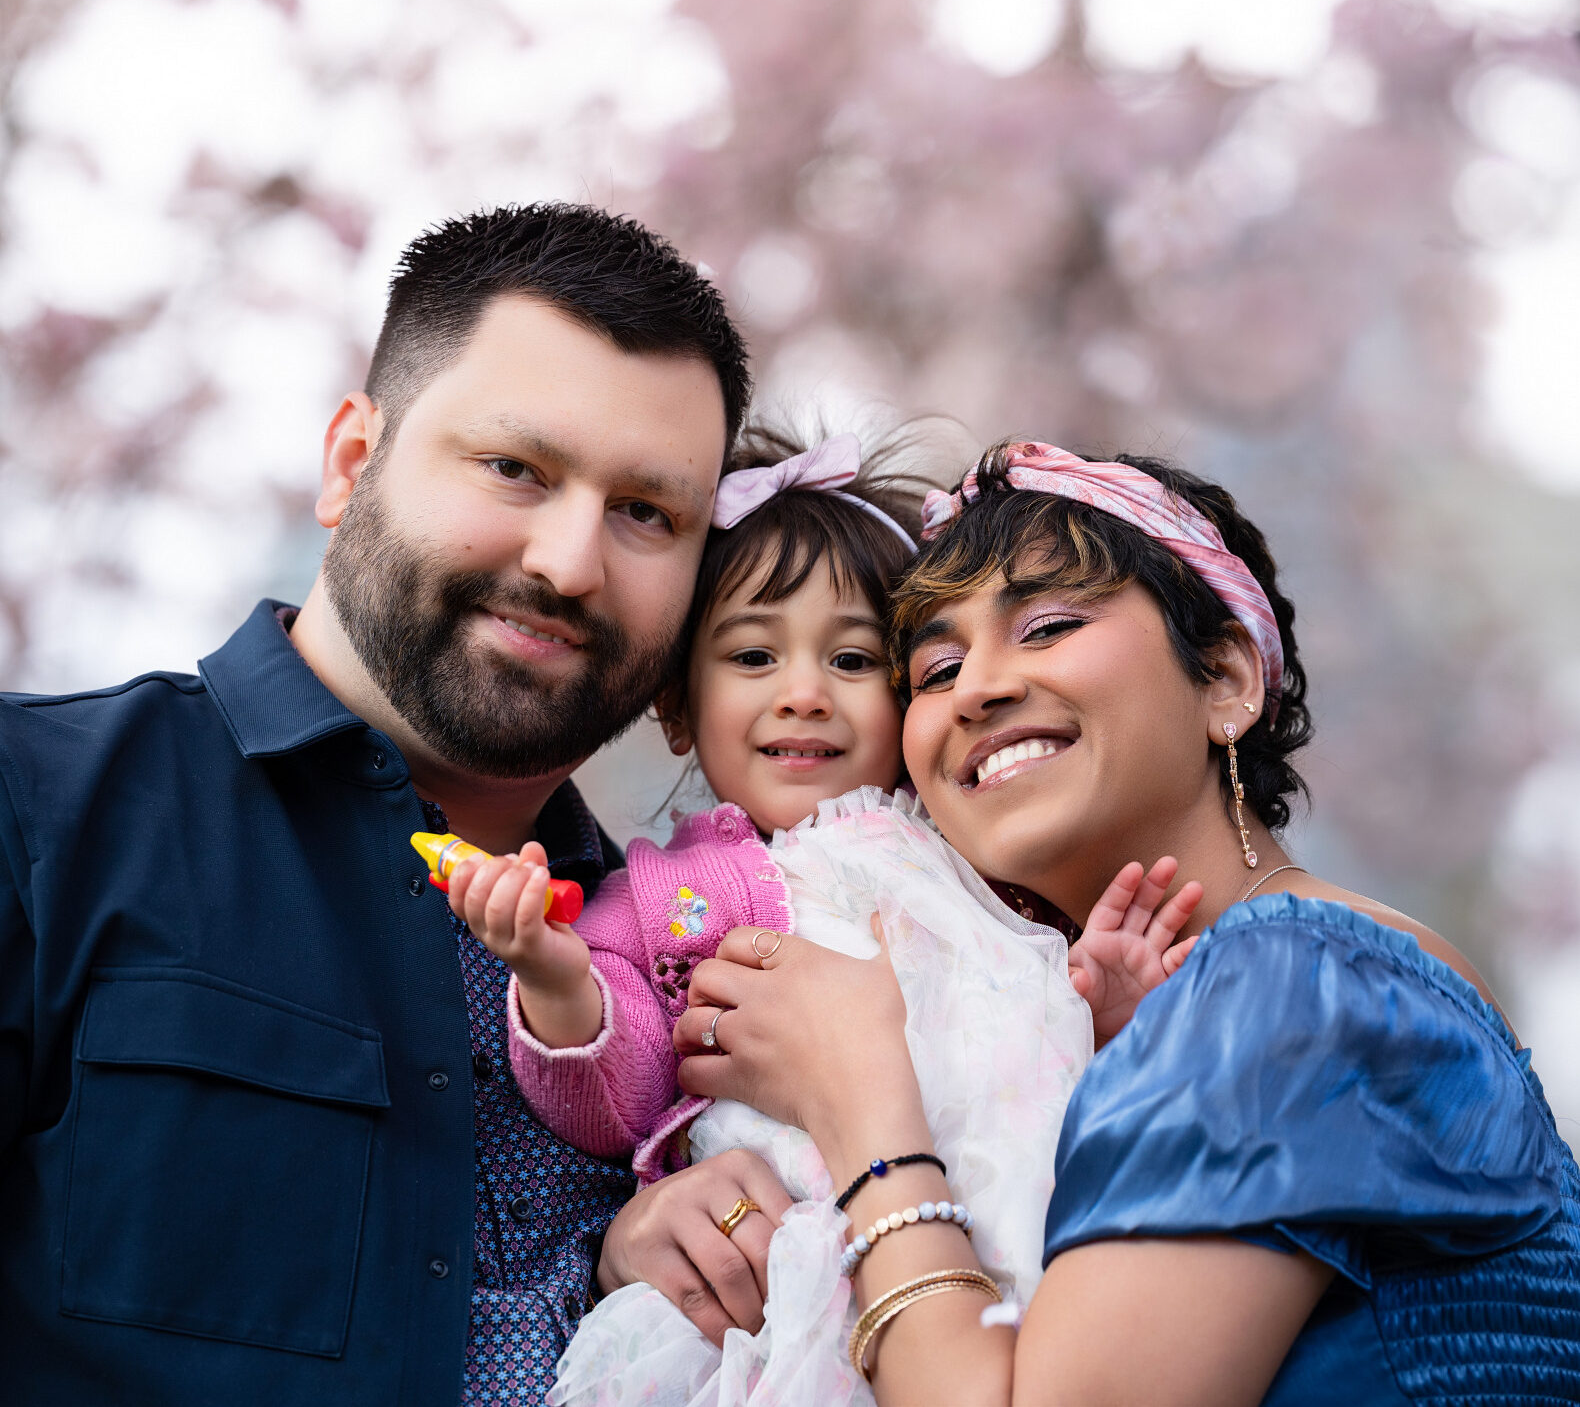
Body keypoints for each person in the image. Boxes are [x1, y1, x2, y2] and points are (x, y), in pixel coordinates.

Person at [0, 202, 756, 1405]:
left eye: (644, 512)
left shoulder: (698, 964)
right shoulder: (39, 812)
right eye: (514, 467)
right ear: (351, 462)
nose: (569, 560)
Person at [658, 441, 1580, 1406]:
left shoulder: (1292, 987)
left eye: (1048, 625)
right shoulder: (1120, 1018)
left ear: (1224, 679)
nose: (976, 689)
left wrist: (865, 1107)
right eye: (934, 671)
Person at [448, 428, 1200, 1405]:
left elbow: (1017, 1020)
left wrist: (1102, 1008)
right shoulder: (677, 893)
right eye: (754, 654)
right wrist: (556, 982)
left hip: (998, 1214)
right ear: (680, 708)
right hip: (796, 1252)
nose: (802, 694)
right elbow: (621, 1093)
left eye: (850, 658)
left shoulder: (972, 851)